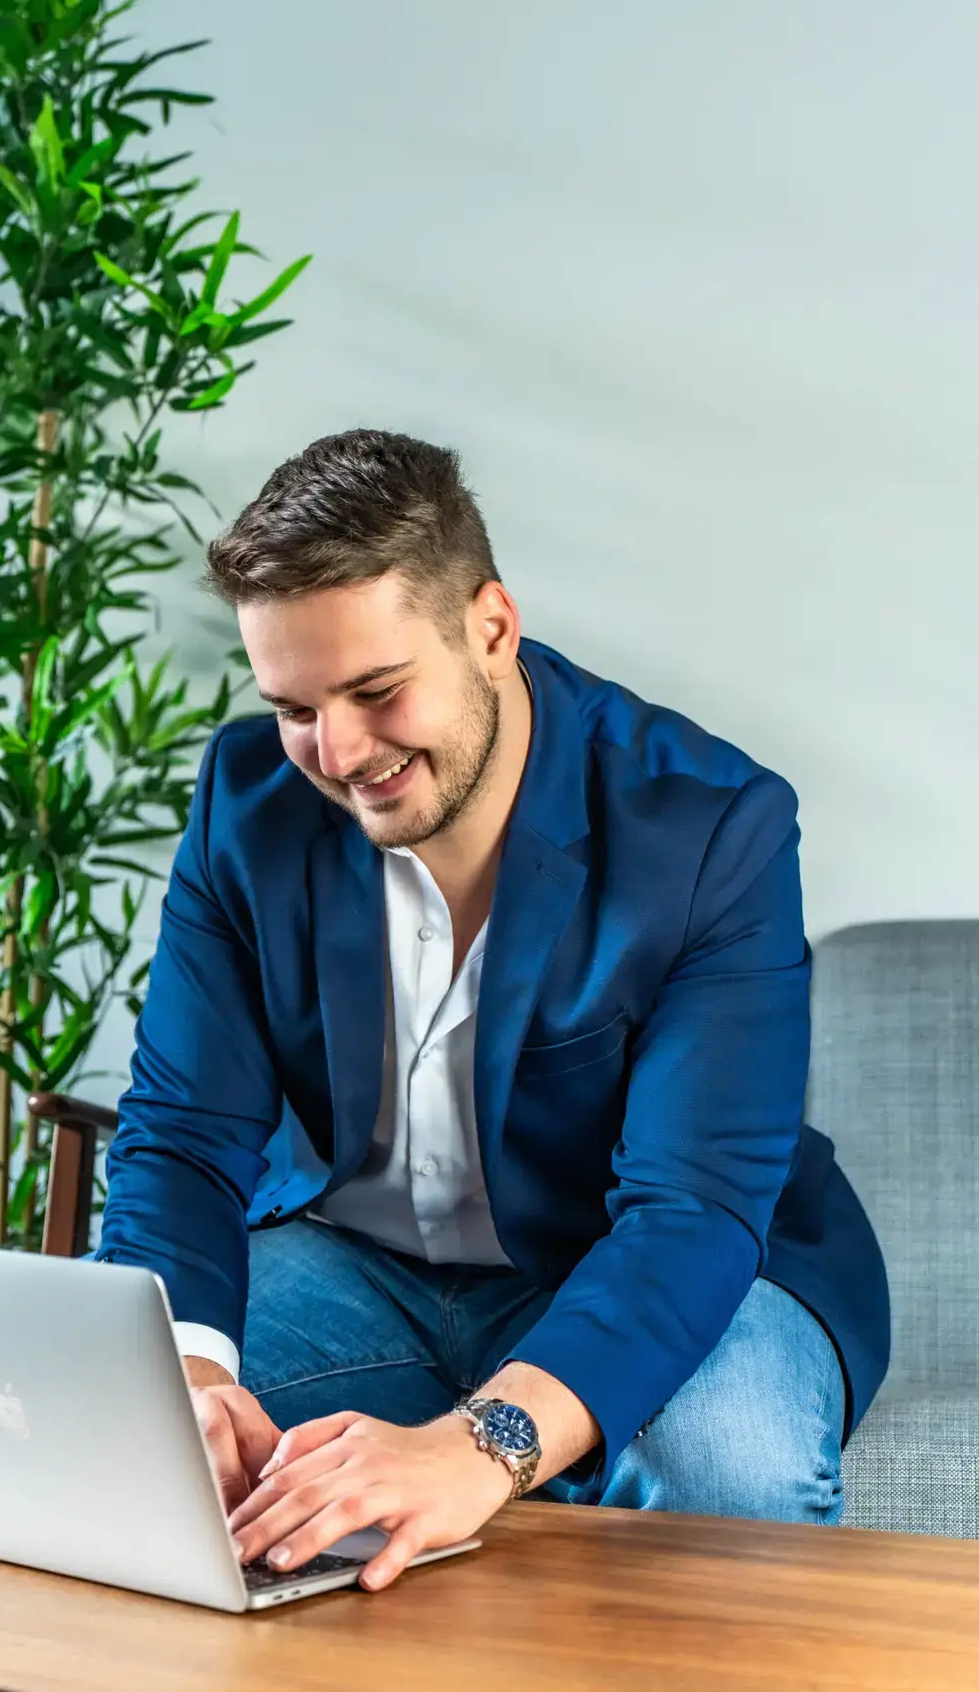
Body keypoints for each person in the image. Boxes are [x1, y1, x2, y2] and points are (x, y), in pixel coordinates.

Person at [96, 428, 889, 1594]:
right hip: (360, 1262)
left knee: (736, 1473)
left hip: (654, 1260)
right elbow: (181, 1133)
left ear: (491, 628)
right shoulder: (245, 799)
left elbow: (689, 1210)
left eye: (375, 691)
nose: (337, 752)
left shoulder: (710, 825)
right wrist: (196, 1374)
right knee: (122, 1432)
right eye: (294, 706)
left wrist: (484, 1445)